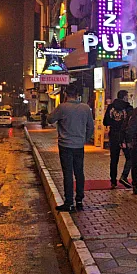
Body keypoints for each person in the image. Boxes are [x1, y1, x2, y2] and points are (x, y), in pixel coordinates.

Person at [47, 84, 94, 212]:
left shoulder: (62, 107)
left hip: (65, 145)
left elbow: (50, 119)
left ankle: (69, 202)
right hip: (79, 146)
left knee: (68, 174)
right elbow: (91, 127)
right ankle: (79, 200)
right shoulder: (85, 108)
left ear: (66, 94)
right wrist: (84, 139)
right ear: (78, 94)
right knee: (79, 172)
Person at [103, 90, 133, 189]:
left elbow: (105, 122)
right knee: (129, 157)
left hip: (113, 135)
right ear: (124, 97)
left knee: (114, 159)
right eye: (127, 96)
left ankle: (113, 181)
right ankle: (124, 176)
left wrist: (113, 123)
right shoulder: (128, 108)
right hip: (124, 136)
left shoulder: (110, 107)